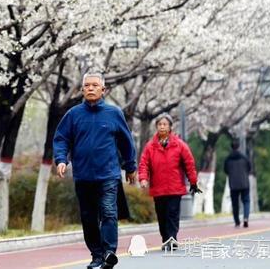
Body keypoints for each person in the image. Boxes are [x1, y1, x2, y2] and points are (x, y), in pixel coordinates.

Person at [53, 73, 137, 269]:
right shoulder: (73, 114)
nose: (90, 88)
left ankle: (109, 252)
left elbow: (126, 142)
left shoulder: (114, 113)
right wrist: (60, 159)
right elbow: (61, 139)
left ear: (103, 90)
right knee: (89, 217)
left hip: (108, 174)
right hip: (83, 175)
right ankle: (97, 256)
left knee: (108, 212)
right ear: (82, 90)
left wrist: (130, 166)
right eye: (87, 86)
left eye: (95, 85)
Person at [138, 113, 200, 250]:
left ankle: (172, 239)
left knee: (172, 214)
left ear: (170, 127)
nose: (162, 127)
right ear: (156, 127)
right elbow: (144, 164)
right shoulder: (150, 146)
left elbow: (189, 163)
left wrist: (193, 181)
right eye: (160, 124)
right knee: (162, 215)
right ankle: (165, 238)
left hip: (174, 187)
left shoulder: (179, 145)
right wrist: (143, 179)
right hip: (158, 188)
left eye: (165, 124)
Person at [224, 139, 251, 228]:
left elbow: (226, 170)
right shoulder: (244, 158)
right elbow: (249, 168)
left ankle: (237, 222)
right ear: (238, 147)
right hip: (244, 183)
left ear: (231, 147)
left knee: (235, 204)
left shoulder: (228, 159)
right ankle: (246, 218)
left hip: (233, 184)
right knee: (246, 201)